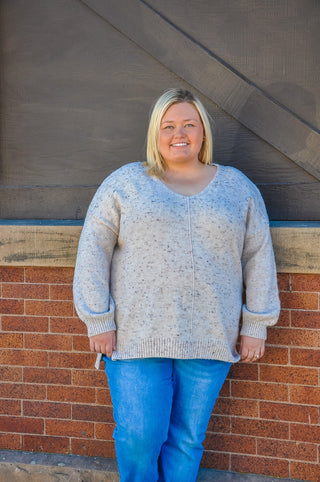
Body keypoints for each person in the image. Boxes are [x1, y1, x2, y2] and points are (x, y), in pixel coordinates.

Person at [73, 88, 280, 481]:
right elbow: (93, 250)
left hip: (210, 337)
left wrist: (255, 325)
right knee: (139, 436)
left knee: (187, 439)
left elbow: (258, 256)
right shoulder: (126, 183)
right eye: (168, 126)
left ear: (203, 132)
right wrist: (98, 318)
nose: (178, 133)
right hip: (136, 337)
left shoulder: (238, 188)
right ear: (155, 133)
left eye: (189, 124)